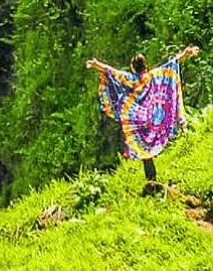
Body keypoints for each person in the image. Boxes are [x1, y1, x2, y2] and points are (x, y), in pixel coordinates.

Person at [86, 45, 200, 189]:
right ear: (145, 66)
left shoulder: (129, 79)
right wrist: (186, 53)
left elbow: (111, 72)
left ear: (133, 68)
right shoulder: (152, 76)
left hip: (137, 121)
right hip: (154, 118)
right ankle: (155, 177)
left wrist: (96, 64)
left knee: (145, 153)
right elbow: (171, 64)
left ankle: (151, 179)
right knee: (154, 143)